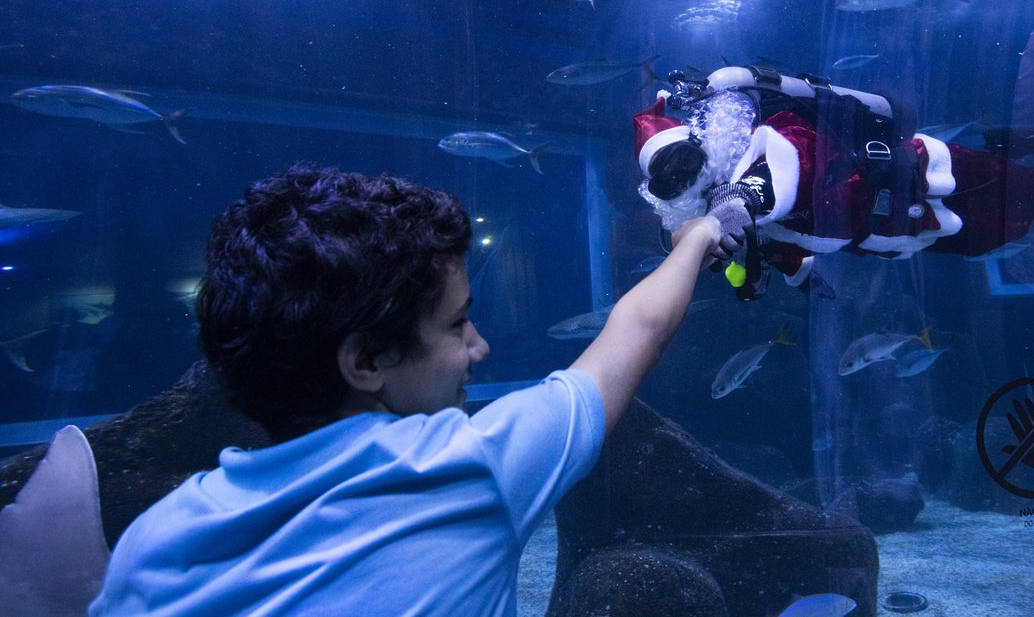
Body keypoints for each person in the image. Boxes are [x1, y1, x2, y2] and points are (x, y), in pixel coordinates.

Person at [89, 163, 747, 615]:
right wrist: (697, 237)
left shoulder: (150, 548)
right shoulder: (472, 469)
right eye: (457, 324)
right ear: (365, 361)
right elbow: (639, 329)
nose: (478, 348)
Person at [634, 65, 1034, 290]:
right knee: (1009, 231)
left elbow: (775, 183)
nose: (687, 175)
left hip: (932, 177)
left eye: (684, 158)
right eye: (670, 178)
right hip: (916, 232)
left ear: (703, 142)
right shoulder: (733, 213)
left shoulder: (771, 140)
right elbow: (783, 246)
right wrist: (791, 276)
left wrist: (725, 219)